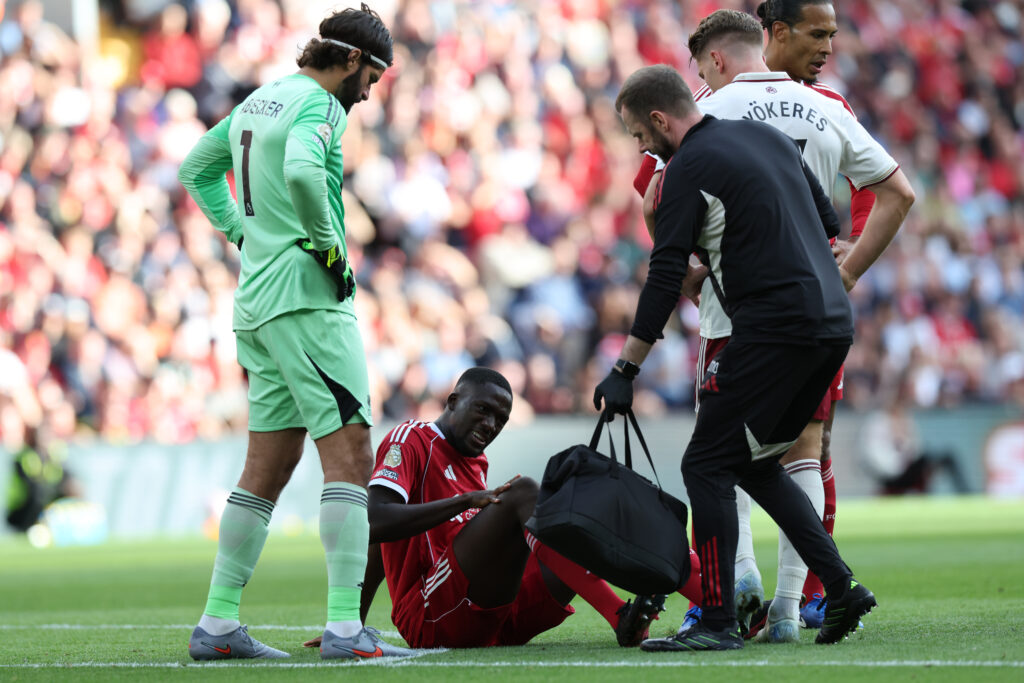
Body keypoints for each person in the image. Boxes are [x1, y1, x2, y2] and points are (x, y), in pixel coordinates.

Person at [598, 64, 877, 652]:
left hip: (774, 331)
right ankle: (842, 586)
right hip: (832, 325)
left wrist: (626, 368)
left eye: (639, 135)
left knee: (704, 465)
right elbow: (829, 222)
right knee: (754, 463)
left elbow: (665, 274)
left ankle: (719, 619)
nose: (643, 147)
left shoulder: (685, 168)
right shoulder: (765, 138)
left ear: (659, 119)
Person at [673, 9, 915, 643]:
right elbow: (894, 192)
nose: (829, 47)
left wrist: (689, 267)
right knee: (800, 449)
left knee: (719, 452)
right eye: (819, 33)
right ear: (774, 31)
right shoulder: (827, 107)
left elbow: (656, 191)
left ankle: (736, 593)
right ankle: (789, 608)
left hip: (735, 310)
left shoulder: (708, 108)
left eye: (833, 34)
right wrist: (846, 270)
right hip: (813, 309)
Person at [177, 4, 410, 661]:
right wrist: (329, 247)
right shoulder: (321, 106)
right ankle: (345, 629)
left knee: (268, 467)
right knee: (352, 454)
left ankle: (218, 624)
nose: (368, 94)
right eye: (372, 78)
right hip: (307, 303)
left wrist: (242, 232)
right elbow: (306, 173)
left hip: (257, 303)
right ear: (353, 59)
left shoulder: (261, 100)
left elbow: (196, 169)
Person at [303, 367, 697, 650]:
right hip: (430, 616)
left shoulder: (475, 462)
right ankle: (620, 617)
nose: (491, 424)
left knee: (576, 517)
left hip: (495, 617)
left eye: (501, 420)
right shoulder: (412, 440)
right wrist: (348, 620)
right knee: (524, 491)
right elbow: (373, 523)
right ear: (453, 401)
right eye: (483, 410)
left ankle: (710, 598)